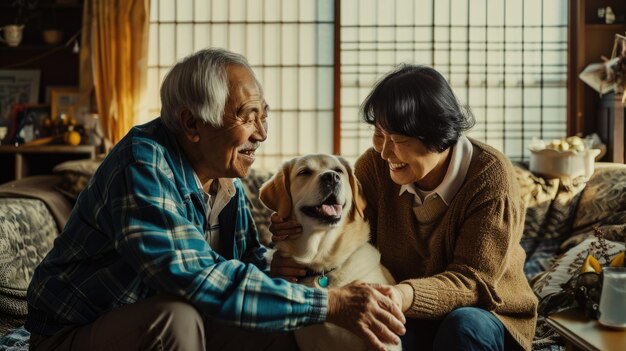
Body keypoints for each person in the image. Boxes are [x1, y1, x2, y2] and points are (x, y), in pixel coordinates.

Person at [25, 48, 405, 351]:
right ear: (192, 124)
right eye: (247, 116)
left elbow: (244, 260)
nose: (261, 133)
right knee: (175, 319)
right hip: (76, 332)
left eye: (264, 116)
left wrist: (275, 264)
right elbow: (193, 276)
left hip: (168, 313)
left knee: (281, 331)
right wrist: (332, 304)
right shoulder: (142, 164)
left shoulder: (224, 180)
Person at [271, 64, 538, 350]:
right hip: (405, 310)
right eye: (378, 134)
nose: (385, 151)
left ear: (438, 135)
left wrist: (400, 295)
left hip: (487, 314)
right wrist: (293, 249)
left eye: (398, 139)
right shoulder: (374, 166)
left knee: (463, 326)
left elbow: (473, 282)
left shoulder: (489, 176)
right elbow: (347, 232)